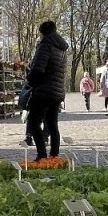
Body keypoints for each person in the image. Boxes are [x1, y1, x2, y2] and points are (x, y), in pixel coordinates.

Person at [25, 20, 69, 159]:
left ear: (42, 32)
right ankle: (55, 155)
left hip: (44, 91)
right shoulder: (61, 49)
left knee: (33, 122)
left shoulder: (45, 46)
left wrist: (30, 81)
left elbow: (38, 69)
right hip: (57, 91)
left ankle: (42, 155)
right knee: (52, 124)